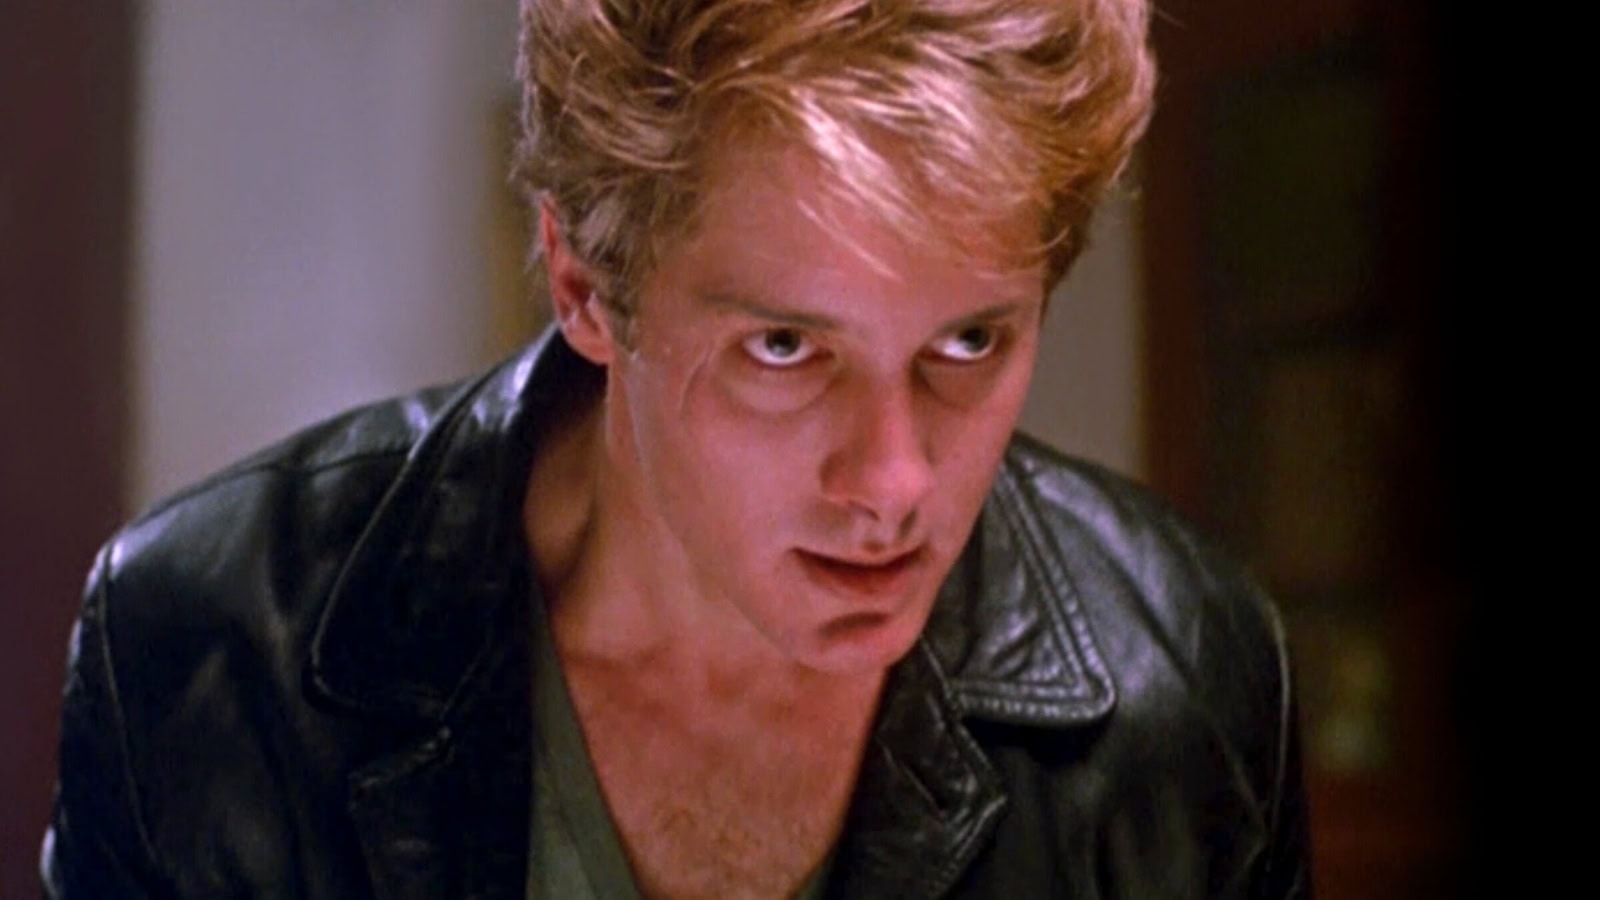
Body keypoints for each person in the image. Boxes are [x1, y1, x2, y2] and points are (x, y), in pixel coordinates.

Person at [44, 0, 1311, 896]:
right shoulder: (212, 654)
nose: (894, 480)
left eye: (968, 342)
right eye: (785, 347)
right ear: (584, 286)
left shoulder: (1184, 688)